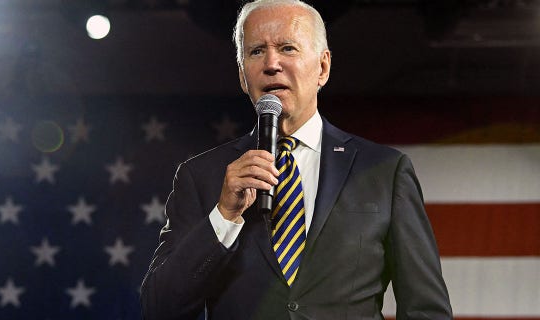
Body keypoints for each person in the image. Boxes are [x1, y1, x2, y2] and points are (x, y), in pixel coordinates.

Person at [140, 0, 453, 319]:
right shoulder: (201, 176)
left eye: (287, 48)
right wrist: (224, 216)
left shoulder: (385, 171)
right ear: (242, 76)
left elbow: (426, 309)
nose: (271, 63)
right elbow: (159, 307)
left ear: (323, 67)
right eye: (256, 51)